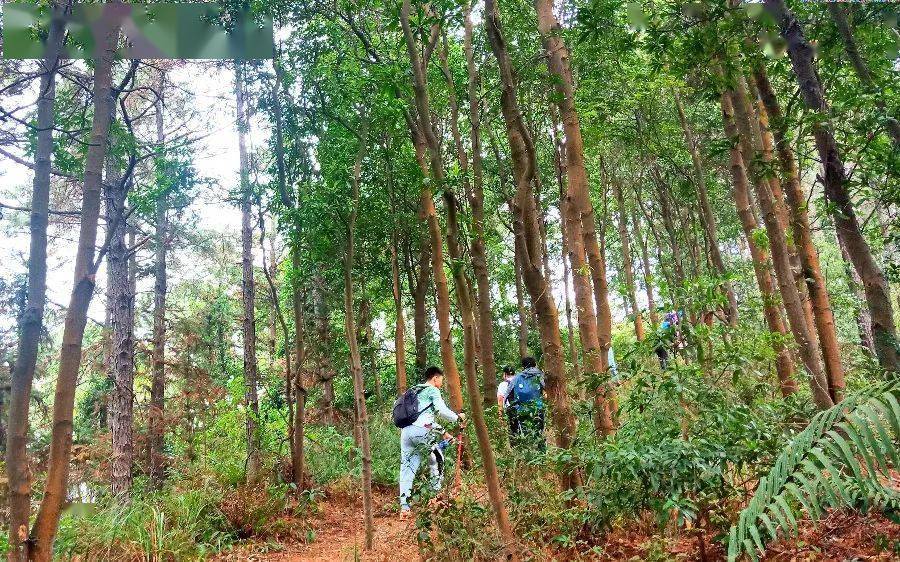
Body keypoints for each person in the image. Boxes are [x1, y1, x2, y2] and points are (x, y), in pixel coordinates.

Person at [398, 366, 466, 518]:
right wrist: (458, 417)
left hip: (406, 432)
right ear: (435, 378)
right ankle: (435, 498)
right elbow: (440, 410)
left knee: (407, 468)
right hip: (421, 432)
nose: (441, 382)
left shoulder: (414, 390)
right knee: (437, 459)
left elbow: (423, 419)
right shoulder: (432, 390)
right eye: (441, 379)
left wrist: (443, 432)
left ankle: (404, 508)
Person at [503, 357, 546, 451]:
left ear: (523, 366)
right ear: (535, 364)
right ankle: (542, 456)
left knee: (525, 433)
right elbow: (548, 389)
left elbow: (507, 395)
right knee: (539, 432)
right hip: (538, 408)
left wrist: (513, 407)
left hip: (522, 410)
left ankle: (528, 455)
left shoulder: (517, 377)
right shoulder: (540, 375)